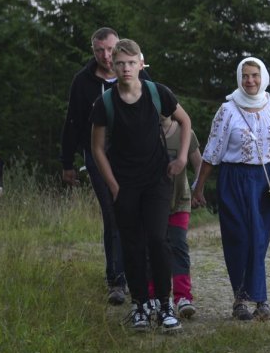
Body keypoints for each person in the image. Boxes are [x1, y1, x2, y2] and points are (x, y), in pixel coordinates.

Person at [89, 39, 192, 332]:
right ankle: (140, 306)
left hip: (157, 180)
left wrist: (182, 158)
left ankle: (164, 304)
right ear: (113, 66)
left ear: (141, 64)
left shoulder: (157, 92)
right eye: (120, 63)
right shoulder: (105, 102)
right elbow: (96, 148)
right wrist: (113, 185)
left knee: (158, 240)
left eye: (131, 63)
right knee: (132, 244)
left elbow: (185, 121)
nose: (125, 68)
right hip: (124, 184)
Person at [193, 57, 270, 323]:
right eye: (245, 76)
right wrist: (199, 186)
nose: (250, 81)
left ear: (263, 76)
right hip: (235, 179)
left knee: (259, 239)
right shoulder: (227, 110)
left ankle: (261, 300)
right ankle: (240, 299)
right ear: (239, 78)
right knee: (238, 238)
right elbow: (212, 151)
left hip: (266, 181)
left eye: (254, 75)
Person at [61, 26, 150, 306]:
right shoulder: (83, 81)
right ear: (93, 51)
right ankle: (116, 280)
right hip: (97, 155)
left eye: (110, 49)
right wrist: (67, 162)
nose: (106, 55)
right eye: (100, 50)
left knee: (137, 212)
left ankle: (142, 274)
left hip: (133, 155)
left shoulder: (137, 73)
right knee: (112, 212)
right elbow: (72, 122)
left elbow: (156, 111)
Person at [155, 115, 203, 318]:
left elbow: (199, 164)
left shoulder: (186, 133)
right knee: (154, 247)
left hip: (180, 200)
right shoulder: (146, 132)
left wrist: (197, 190)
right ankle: (154, 296)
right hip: (153, 202)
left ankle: (183, 297)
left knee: (179, 246)